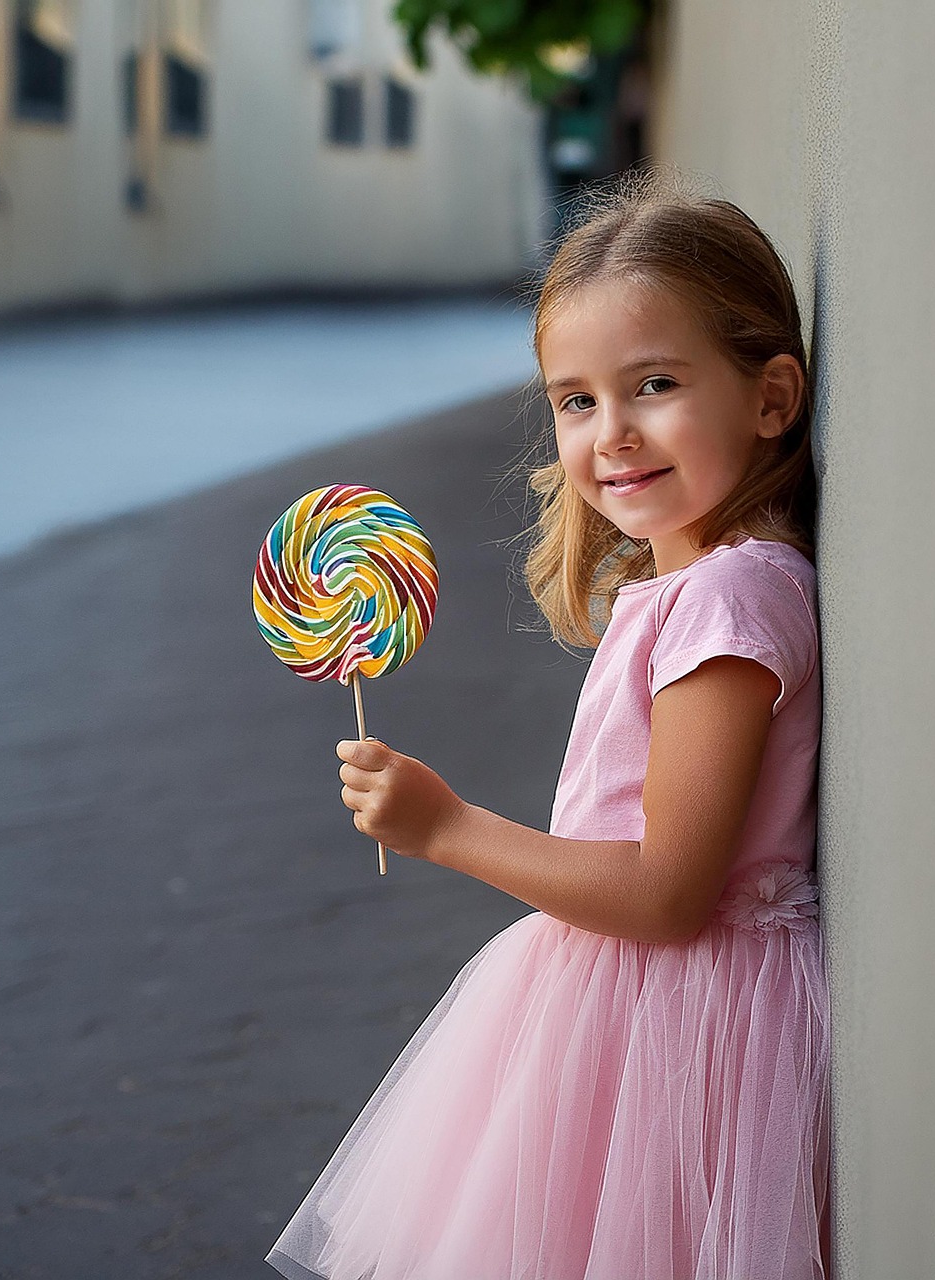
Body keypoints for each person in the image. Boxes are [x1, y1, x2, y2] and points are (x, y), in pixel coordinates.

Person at [265, 171, 831, 1280]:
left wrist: (447, 825)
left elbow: (668, 893)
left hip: (675, 1024)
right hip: (627, 1011)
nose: (610, 434)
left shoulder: (728, 601)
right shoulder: (687, 590)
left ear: (770, 397)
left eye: (653, 384)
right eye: (574, 399)